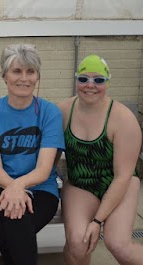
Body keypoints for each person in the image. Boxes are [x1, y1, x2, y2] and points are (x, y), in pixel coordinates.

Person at [0, 44, 65, 265]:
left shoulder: (49, 112)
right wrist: (12, 188)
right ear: (4, 76)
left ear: (37, 76)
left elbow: (44, 170)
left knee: (12, 225)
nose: (24, 78)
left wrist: (19, 187)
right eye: (16, 71)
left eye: (30, 71)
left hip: (42, 189)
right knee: (16, 220)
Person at [58, 54, 143, 264]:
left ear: (107, 82)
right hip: (81, 183)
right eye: (83, 79)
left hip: (118, 182)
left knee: (118, 244)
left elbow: (123, 177)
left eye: (98, 80)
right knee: (78, 242)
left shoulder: (123, 119)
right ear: (76, 80)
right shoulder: (63, 111)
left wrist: (97, 221)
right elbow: (48, 153)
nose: (90, 85)